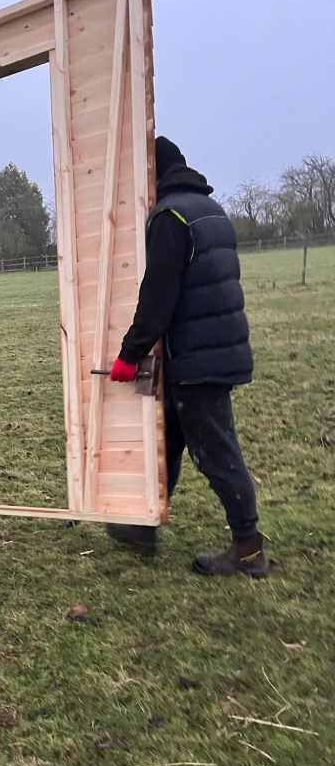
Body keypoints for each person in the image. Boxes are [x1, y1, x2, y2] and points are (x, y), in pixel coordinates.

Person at [105, 136, 269, 578]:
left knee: (215, 451)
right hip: (215, 349)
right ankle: (142, 526)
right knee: (167, 439)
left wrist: (129, 354)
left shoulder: (170, 217)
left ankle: (248, 549)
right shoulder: (209, 210)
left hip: (198, 359)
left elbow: (158, 297)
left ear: (152, 174)